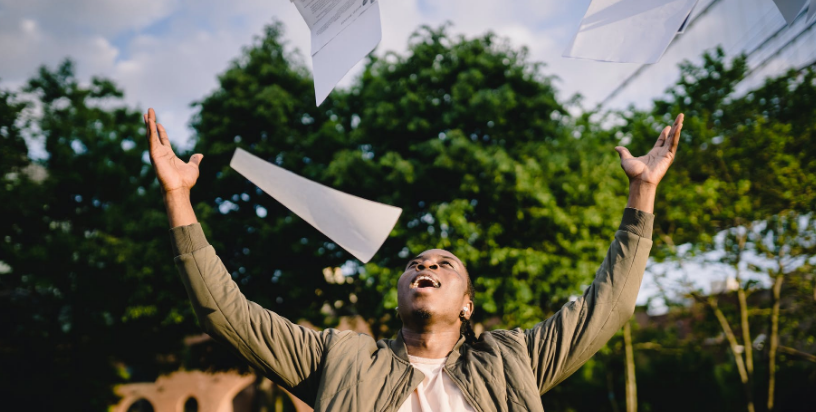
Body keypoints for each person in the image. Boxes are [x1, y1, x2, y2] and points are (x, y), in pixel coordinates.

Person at [144, 108, 684, 412]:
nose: (425, 266)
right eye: (414, 264)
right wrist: (178, 198)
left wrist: (642, 193)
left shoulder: (512, 359)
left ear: (467, 305)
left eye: (445, 264)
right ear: (401, 293)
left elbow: (606, 308)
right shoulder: (340, 360)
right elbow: (224, 313)